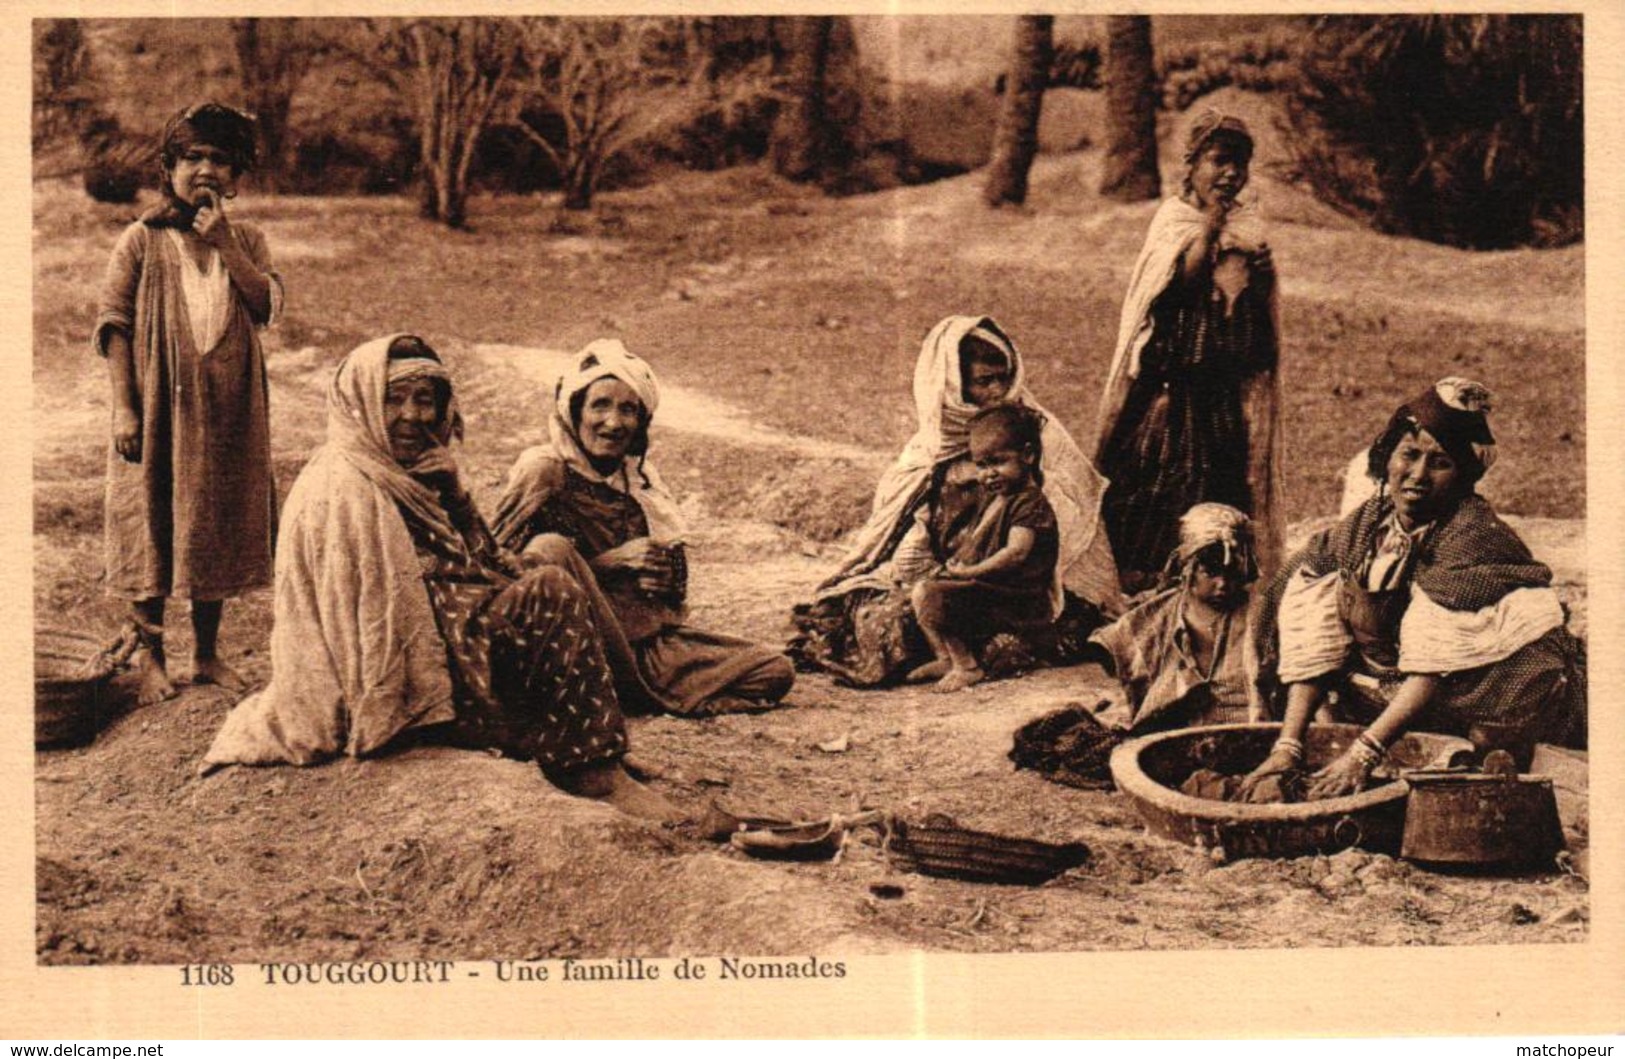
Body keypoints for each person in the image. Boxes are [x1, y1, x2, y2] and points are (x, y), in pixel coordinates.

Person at [204, 335, 682, 823]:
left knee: (543, 569)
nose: (413, 415)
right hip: (396, 671)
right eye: (394, 399)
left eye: (425, 400)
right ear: (364, 404)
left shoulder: (410, 471)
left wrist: (456, 496)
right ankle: (592, 771)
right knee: (549, 589)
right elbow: (371, 620)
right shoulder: (342, 488)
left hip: (445, 639)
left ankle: (591, 749)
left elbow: (485, 564)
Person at [1241, 378, 1586, 800]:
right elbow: (1313, 629)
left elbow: (1434, 663)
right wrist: (1288, 746)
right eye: (1410, 455)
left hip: (1489, 687)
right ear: (1387, 458)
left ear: (1462, 478)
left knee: (1479, 755)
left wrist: (1362, 754)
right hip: (1400, 678)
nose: (1418, 475)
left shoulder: (1472, 534)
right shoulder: (1366, 524)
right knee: (1328, 704)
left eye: (1439, 463)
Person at [791, 315, 1122, 687]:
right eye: (984, 381)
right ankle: (946, 656)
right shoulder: (931, 447)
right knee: (879, 620)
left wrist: (974, 569)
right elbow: (901, 532)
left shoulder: (1035, 432)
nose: (998, 390)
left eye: (1003, 377)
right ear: (953, 384)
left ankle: (965, 659)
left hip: (1023, 587)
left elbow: (1070, 531)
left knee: (1011, 635)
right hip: (954, 575)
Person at [492, 340, 795, 717]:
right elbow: (499, 571)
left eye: (628, 409)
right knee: (552, 548)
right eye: (600, 405)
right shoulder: (544, 470)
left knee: (774, 670)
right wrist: (608, 563)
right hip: (573, 641)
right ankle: (617, 690)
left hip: (643, 643)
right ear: (575, 411)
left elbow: (671, 591)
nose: (614, 422)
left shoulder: (638, 480)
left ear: (641, 422)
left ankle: (627, 693)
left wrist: (665, 578)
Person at [94, 102, 283, 703]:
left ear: (236, 176)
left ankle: (205, 653)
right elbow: (113, 324)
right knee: (149, 516)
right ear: (169, 167)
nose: (205, 170)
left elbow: (265, 307)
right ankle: (152, 658)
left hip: (228, 407)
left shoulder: (247, 238)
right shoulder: (141, 240)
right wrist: (125, 408)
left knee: (214, 518)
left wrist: (225, 242)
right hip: (156, 409)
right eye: (192, 158)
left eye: (219, 160)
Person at [1094, 109, 1283, 595]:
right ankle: (1146, 583)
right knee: (1157, 484)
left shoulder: (1246, 225)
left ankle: (1209, 582)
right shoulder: (1176, 220)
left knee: (1219, 483)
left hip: (1219, 389)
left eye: (1240, 164)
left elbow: (1256, 319)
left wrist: (1260, 272)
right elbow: (1179, 283)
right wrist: (1210, 232)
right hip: (1172, 388)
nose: (1231, 174)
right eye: (1219, 161)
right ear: (1192, 163)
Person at [911, 405, 1059, 693]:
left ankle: (968, 666)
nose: (988, 474)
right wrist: (960, 567)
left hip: (1016, 598)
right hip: (992, 590)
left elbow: (1015, 553)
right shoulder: (997, 497)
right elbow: (978, 542)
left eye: (998, 462)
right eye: (981, 465)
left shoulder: (1029, 502)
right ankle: (945, 656)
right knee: (922, 590)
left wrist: (972, 572)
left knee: (933, 596)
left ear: (1028, 455)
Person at [1087, 503, 1262, 733]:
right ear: (1188, 568)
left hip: (1249, 729)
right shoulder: (1157, 616)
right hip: (1176, 735)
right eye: (1210, 572)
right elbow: (1112, 645)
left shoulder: (1258, 614)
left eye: (1231, 574)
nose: (1222, 584)